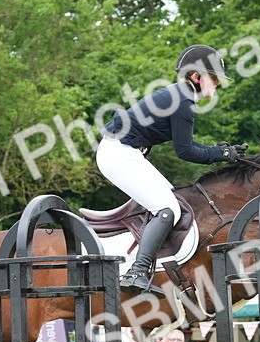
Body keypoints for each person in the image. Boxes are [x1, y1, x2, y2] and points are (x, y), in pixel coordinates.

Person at [96, 44, 244, 294]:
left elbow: (187, 146)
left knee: (172, 201)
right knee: (167, 210)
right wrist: (222, 154)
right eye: (214, 78)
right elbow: (186, 151)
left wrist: (222, 152)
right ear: (196, 77)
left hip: (124, 152)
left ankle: (145, 264)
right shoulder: (183, 102)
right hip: (118, 154)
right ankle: (136, 271)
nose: (218, 84)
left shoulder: (180, 95)